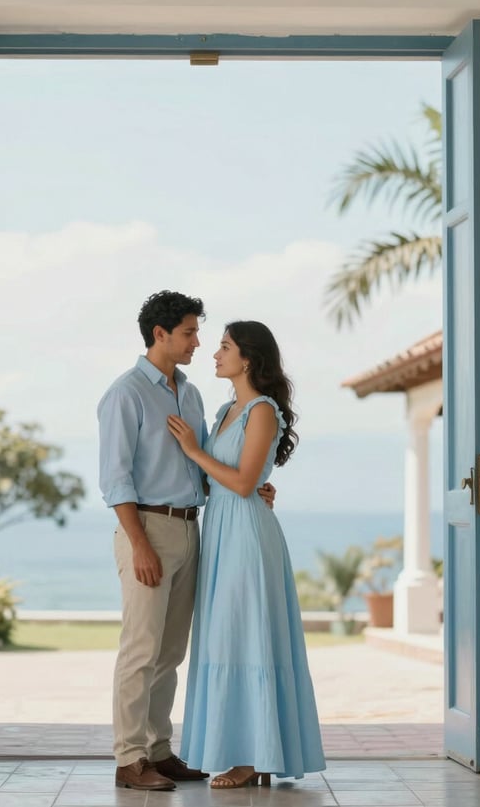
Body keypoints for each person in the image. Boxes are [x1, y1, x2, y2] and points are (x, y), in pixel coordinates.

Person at [97, 292, 275, 792]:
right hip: (148, 529)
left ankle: (158, 750)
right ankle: (129, 759)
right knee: (140, 649)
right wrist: (139, 544)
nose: (199, 342)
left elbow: (206, 462)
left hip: (194, 527)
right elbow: (115, 480)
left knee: (171, 651)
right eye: (190, 333)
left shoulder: (192, 394)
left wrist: (254, 484)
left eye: (201, 334)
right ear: (161, 334)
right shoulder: (126, 393)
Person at [167, 320, 326, 789]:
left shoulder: (262, 410)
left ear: (249, 359)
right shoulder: (224, 410)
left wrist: (194, 451)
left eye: (224, 347)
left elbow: (239, 481)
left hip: (247, 535)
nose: (214, 354)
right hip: (221, 528)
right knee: (223, 637)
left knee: (247, 634)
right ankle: (234, 748)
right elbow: (237, 479)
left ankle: (254, 755)